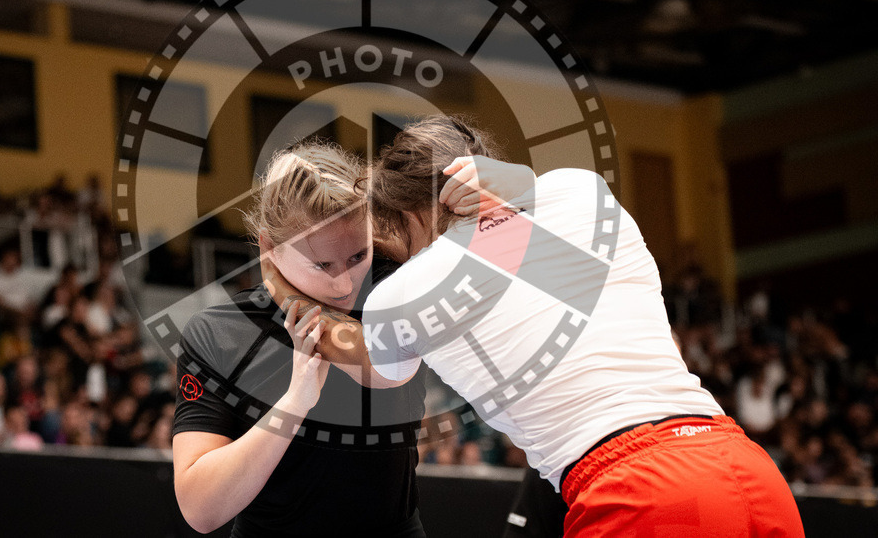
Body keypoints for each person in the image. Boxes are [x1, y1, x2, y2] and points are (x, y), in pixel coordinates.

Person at [270, 116, 804, 537]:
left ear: (409, 213)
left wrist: (280, 277)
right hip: (744, 466)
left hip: (638, 491)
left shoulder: (409, 292)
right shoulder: (584, 193)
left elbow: (362, 358)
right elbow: (520, 206)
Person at [172, 141, 426, 537]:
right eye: (321, 265)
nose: (343, 284)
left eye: (358, 256)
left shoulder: (396, 287)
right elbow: (200, 509)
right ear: (268, 248)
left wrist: (295, 299)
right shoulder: (220, 331)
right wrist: (294, 404)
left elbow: (383, 370)